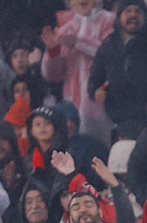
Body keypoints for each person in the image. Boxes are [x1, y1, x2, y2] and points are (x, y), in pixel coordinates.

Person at [40, 0, 116, 143]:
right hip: (73, 106)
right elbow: (52, 75)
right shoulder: (65, 29)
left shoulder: (110, 21)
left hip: (104, 105)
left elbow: (111, 55)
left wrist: (78, 42)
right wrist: (52, 52)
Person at [87, 0, 147, 126]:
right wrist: (95, 92)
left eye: (138, 12)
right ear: (119, 16)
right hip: (116, 116)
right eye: (128, 11)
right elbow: (95, 77)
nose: (133, 15)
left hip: (146, 116)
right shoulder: (109, 44)